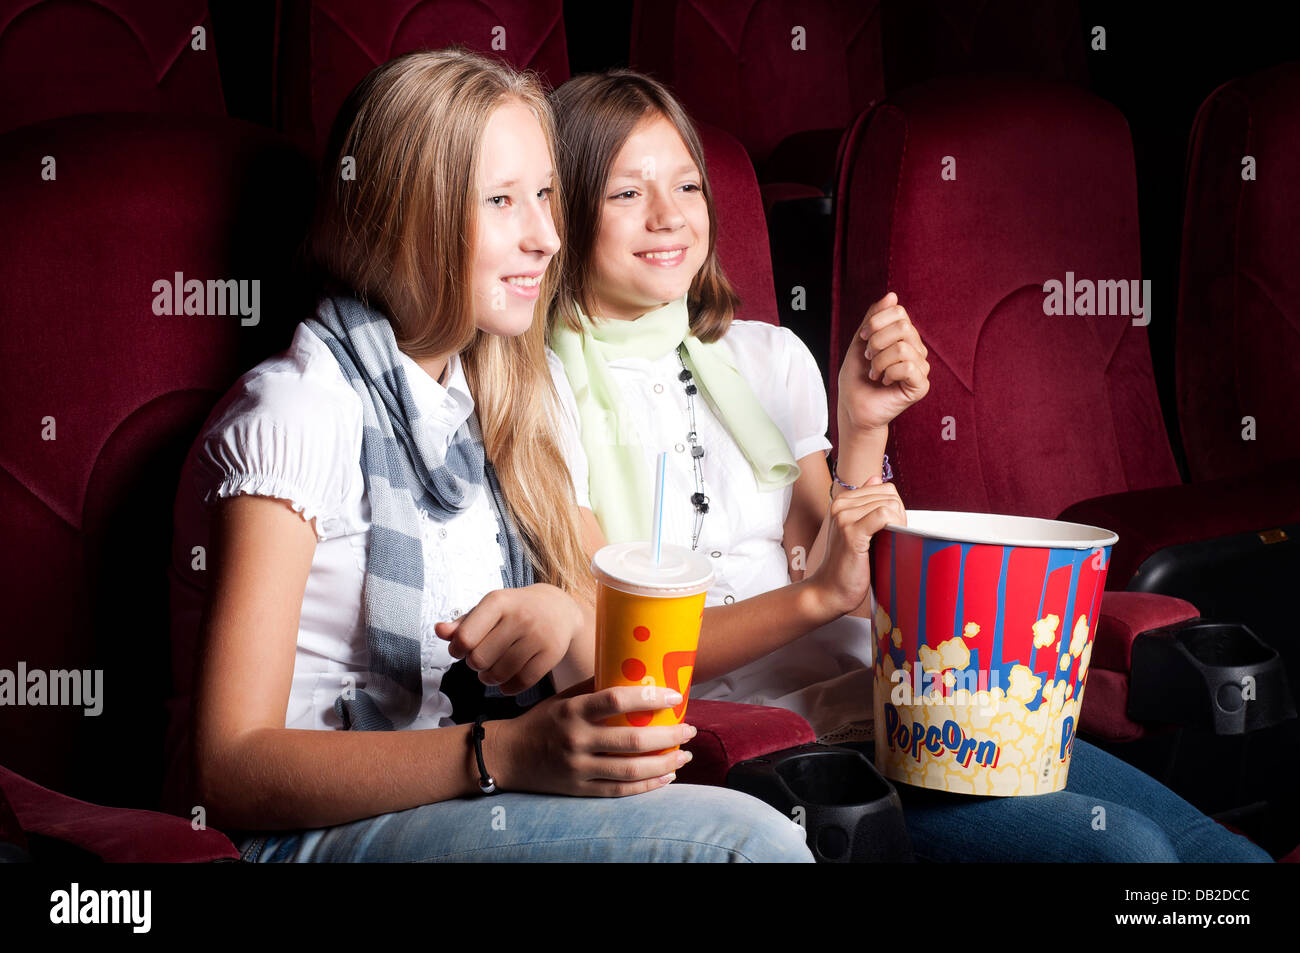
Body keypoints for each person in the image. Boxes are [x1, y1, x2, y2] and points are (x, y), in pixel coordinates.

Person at [543, 69, 1273, 863]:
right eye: (625, 194)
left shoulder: (764, 358)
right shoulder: (540, 393)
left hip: (902, 703)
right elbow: (607, 662)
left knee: (1214, 850)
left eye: (686, 183)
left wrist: (860, 426)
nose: (669, 215)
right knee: (1129, 854)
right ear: (566, 215)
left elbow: (854, 594)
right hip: (768, 755)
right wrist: (813, 595)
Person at [160, 50, 813, 863]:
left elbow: (596, 686)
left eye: (544, 195)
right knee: (742, 844)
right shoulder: (299, 409)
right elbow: (227, 767)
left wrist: (567, 620)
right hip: (308, 832)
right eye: (503, 201)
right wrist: (499, 753)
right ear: (410, 219)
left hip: (461, 797)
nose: (544, 236)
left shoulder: (497, 396)